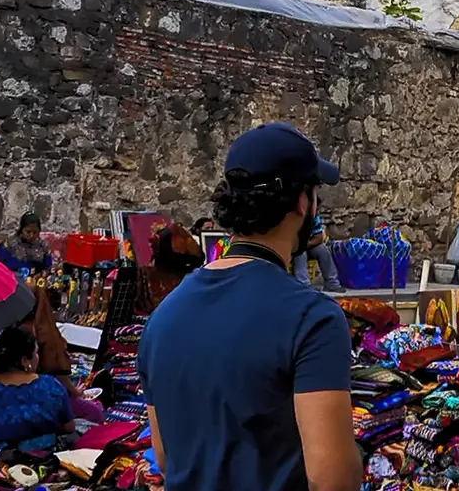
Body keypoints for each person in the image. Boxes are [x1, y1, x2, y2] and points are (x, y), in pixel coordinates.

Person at [138, 122, 360, 491]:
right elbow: (333, 480)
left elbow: (164, 458)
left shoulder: (163, 316)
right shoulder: (312, 319)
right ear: (303, 202)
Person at [0, 327, 73, 450]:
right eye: (36, 353)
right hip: (44, 462)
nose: (38, 358)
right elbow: (69, 427)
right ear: (25, 361)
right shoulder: (50, 385)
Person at [291, 213, 345, 293]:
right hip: (290, 249)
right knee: (301, 253)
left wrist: (305, 244)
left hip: (306, 246)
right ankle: (304, 286)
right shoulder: (288, 216)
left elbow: (319, 238)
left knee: (322, 249)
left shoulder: (312, 216)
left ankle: (331, 283)